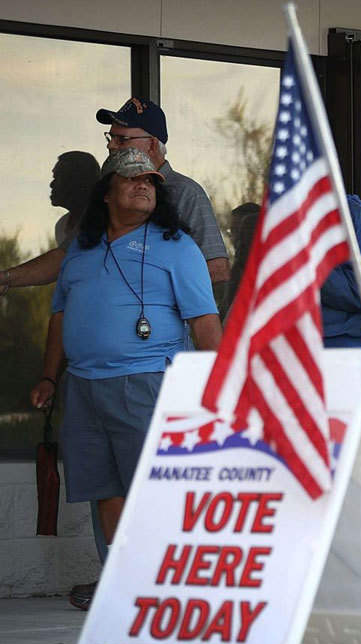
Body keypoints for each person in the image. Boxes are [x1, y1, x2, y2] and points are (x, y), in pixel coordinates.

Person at [28, 149, 221, 609]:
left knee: (154, 491)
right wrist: (50, 377)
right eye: (132, 179)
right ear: (107, 193)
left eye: (150, 181)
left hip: (148, 382)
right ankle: (124, 582)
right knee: (105, 489)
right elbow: (60, 316)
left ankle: (170, 587)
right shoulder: (81, 248)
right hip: (83, 387)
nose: (143, 186)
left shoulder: (177, 246)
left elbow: (205, 321)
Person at [2, 97, 230, 291]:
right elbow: (66, 256)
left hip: (159, 329)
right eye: (110, 137)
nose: (111, 145)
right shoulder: (108, 191)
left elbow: (217, 269)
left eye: (122, 139)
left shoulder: (185, 192)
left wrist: (144, 296)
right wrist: (8, 278)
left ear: (152, 145)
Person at [321, 194, 361, 347]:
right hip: (286, 338)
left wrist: (313, 270)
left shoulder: (353, 215)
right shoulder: (279, 215)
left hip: (339, 338)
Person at [50, 151, 101, 247]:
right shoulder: (61, 225)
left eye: (58, 178)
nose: (51, 184)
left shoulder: (109, 222)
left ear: (77, 182)